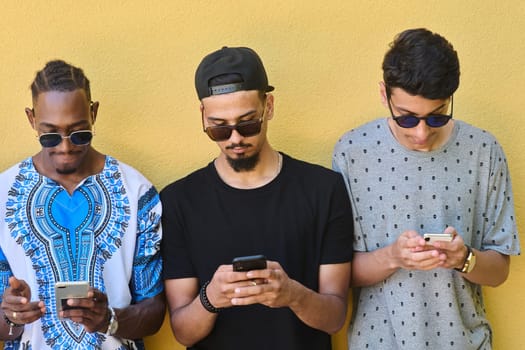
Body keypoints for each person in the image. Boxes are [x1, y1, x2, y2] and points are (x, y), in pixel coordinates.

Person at [332, 28, 520, 349]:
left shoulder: (484, 150)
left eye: (437, 117)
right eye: (407, 118)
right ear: (384, 94)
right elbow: (340, 273)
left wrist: (463, 259)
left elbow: (499, 270)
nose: (421, 134)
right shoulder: (352, 152)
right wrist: (393, 256)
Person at [160, 46, 354, 350]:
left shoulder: (324, 189)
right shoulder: (178, 201)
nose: (235, 138)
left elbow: (334, 318)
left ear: (269, 106)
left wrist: (292, 294)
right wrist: (211, 297)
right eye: (219, 128)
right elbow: (184, 332)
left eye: (248, 123)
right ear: (203, 116)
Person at [0, 60, 165, 349]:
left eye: (79, 134)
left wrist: (109, 319)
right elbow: (5, 329)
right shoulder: (3, 195)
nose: (65, 147)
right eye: (50, 135)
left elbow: (154, 312)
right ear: (31, 119)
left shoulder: (137, 192)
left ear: (93, 113)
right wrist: (13, 316)